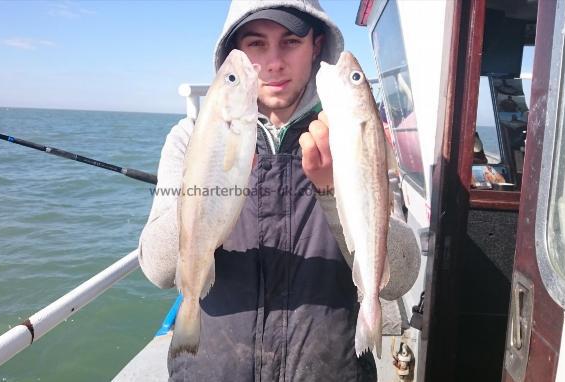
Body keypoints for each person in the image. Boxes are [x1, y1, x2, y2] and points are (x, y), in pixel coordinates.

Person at [139, 1, 414, 380]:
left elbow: (401, 275)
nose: (273, 63)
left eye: (290, 42)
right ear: (234, 52)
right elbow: (158, 267)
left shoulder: (350, 131)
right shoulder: (191, 138)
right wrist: (209, 189)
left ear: (315, 46)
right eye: (256, 44)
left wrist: (332, 191)